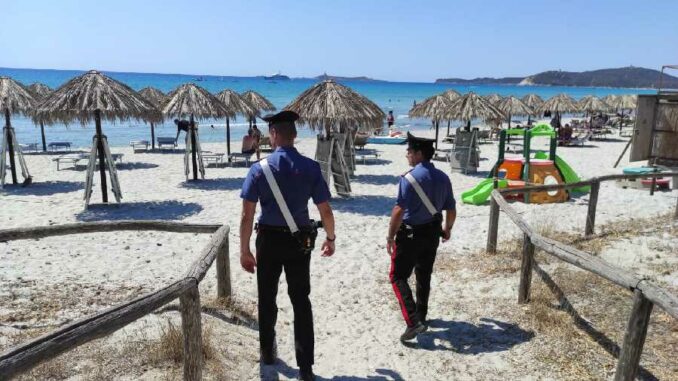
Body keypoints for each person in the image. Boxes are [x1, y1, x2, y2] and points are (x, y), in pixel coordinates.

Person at [239, 110, 336, 381]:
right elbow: (325, 210)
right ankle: (305, 368)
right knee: (300, 300)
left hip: (268, 240)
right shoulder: (310, 167)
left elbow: (247, 214)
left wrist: (244, 249)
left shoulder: (259, 169)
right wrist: (330, 238)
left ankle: (268, 352)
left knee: (267, 298)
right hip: (299, 241)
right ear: (294, 135)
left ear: (273, 135)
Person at [386, 132, 456, 343]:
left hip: (410, 234)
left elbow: (399, 210)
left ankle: (413, 322)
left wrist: (390, 236)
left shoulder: (409, 178)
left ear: (418, 154)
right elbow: (451, 209)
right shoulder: (443, 177)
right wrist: (448, 228)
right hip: (433, 232)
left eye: (409, 151)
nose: (407, 154)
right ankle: (422, 315)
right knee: (423, 274)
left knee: (397, 276)